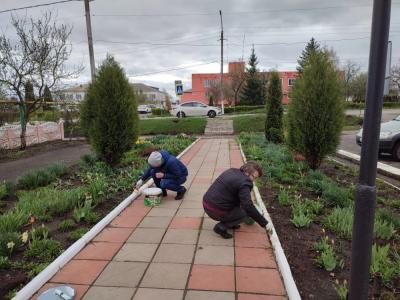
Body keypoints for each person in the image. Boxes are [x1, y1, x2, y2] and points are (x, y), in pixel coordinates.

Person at [203, 161, 268, 239]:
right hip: (215, 210)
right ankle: (221, 227)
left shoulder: (232, 170)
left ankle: (231, 223)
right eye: (253, 177)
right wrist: (263, 222)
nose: (253, 180)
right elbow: (248, 206)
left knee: (241, 206)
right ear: (247, 172)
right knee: (246, 213)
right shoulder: (245, 182)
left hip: (206, 203)